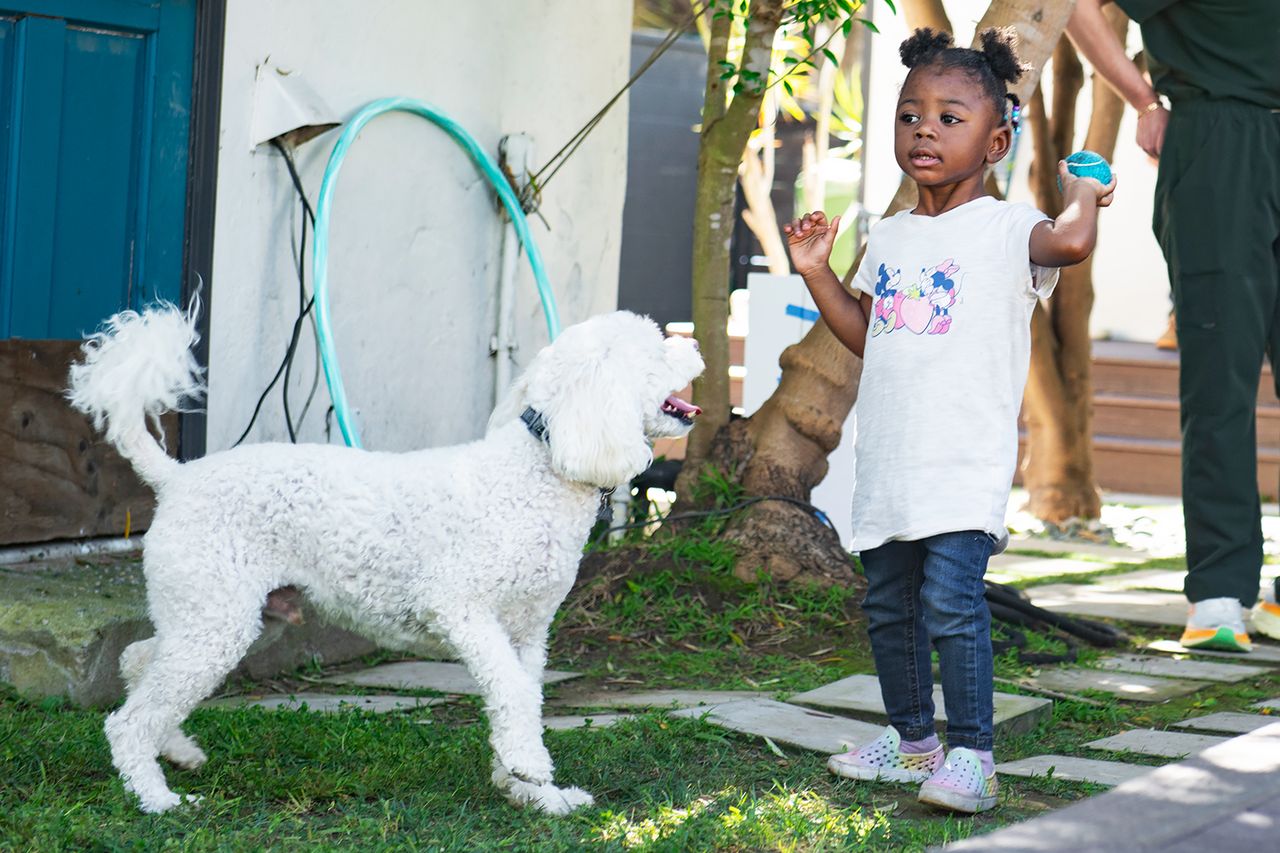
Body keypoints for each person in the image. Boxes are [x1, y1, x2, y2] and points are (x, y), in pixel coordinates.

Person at [784, 28, 1114, 814]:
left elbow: (1069, 242)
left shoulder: (1007, 230)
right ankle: (912, 741)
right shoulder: (891, 233)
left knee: (951, 603)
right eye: (909, 114)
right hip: (891, 460)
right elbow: (870, 330)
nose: (923, 129)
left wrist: (1084, 191)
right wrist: (816, 272)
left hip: (962, 462)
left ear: (997, 140)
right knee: (888, 604)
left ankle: (973, 754)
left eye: (949, 117)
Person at [1067, 0, 1280, 651]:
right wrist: (1141, 99)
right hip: (1220, 137)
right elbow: (1074, 6)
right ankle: (1220, 594)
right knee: (1220, 376)